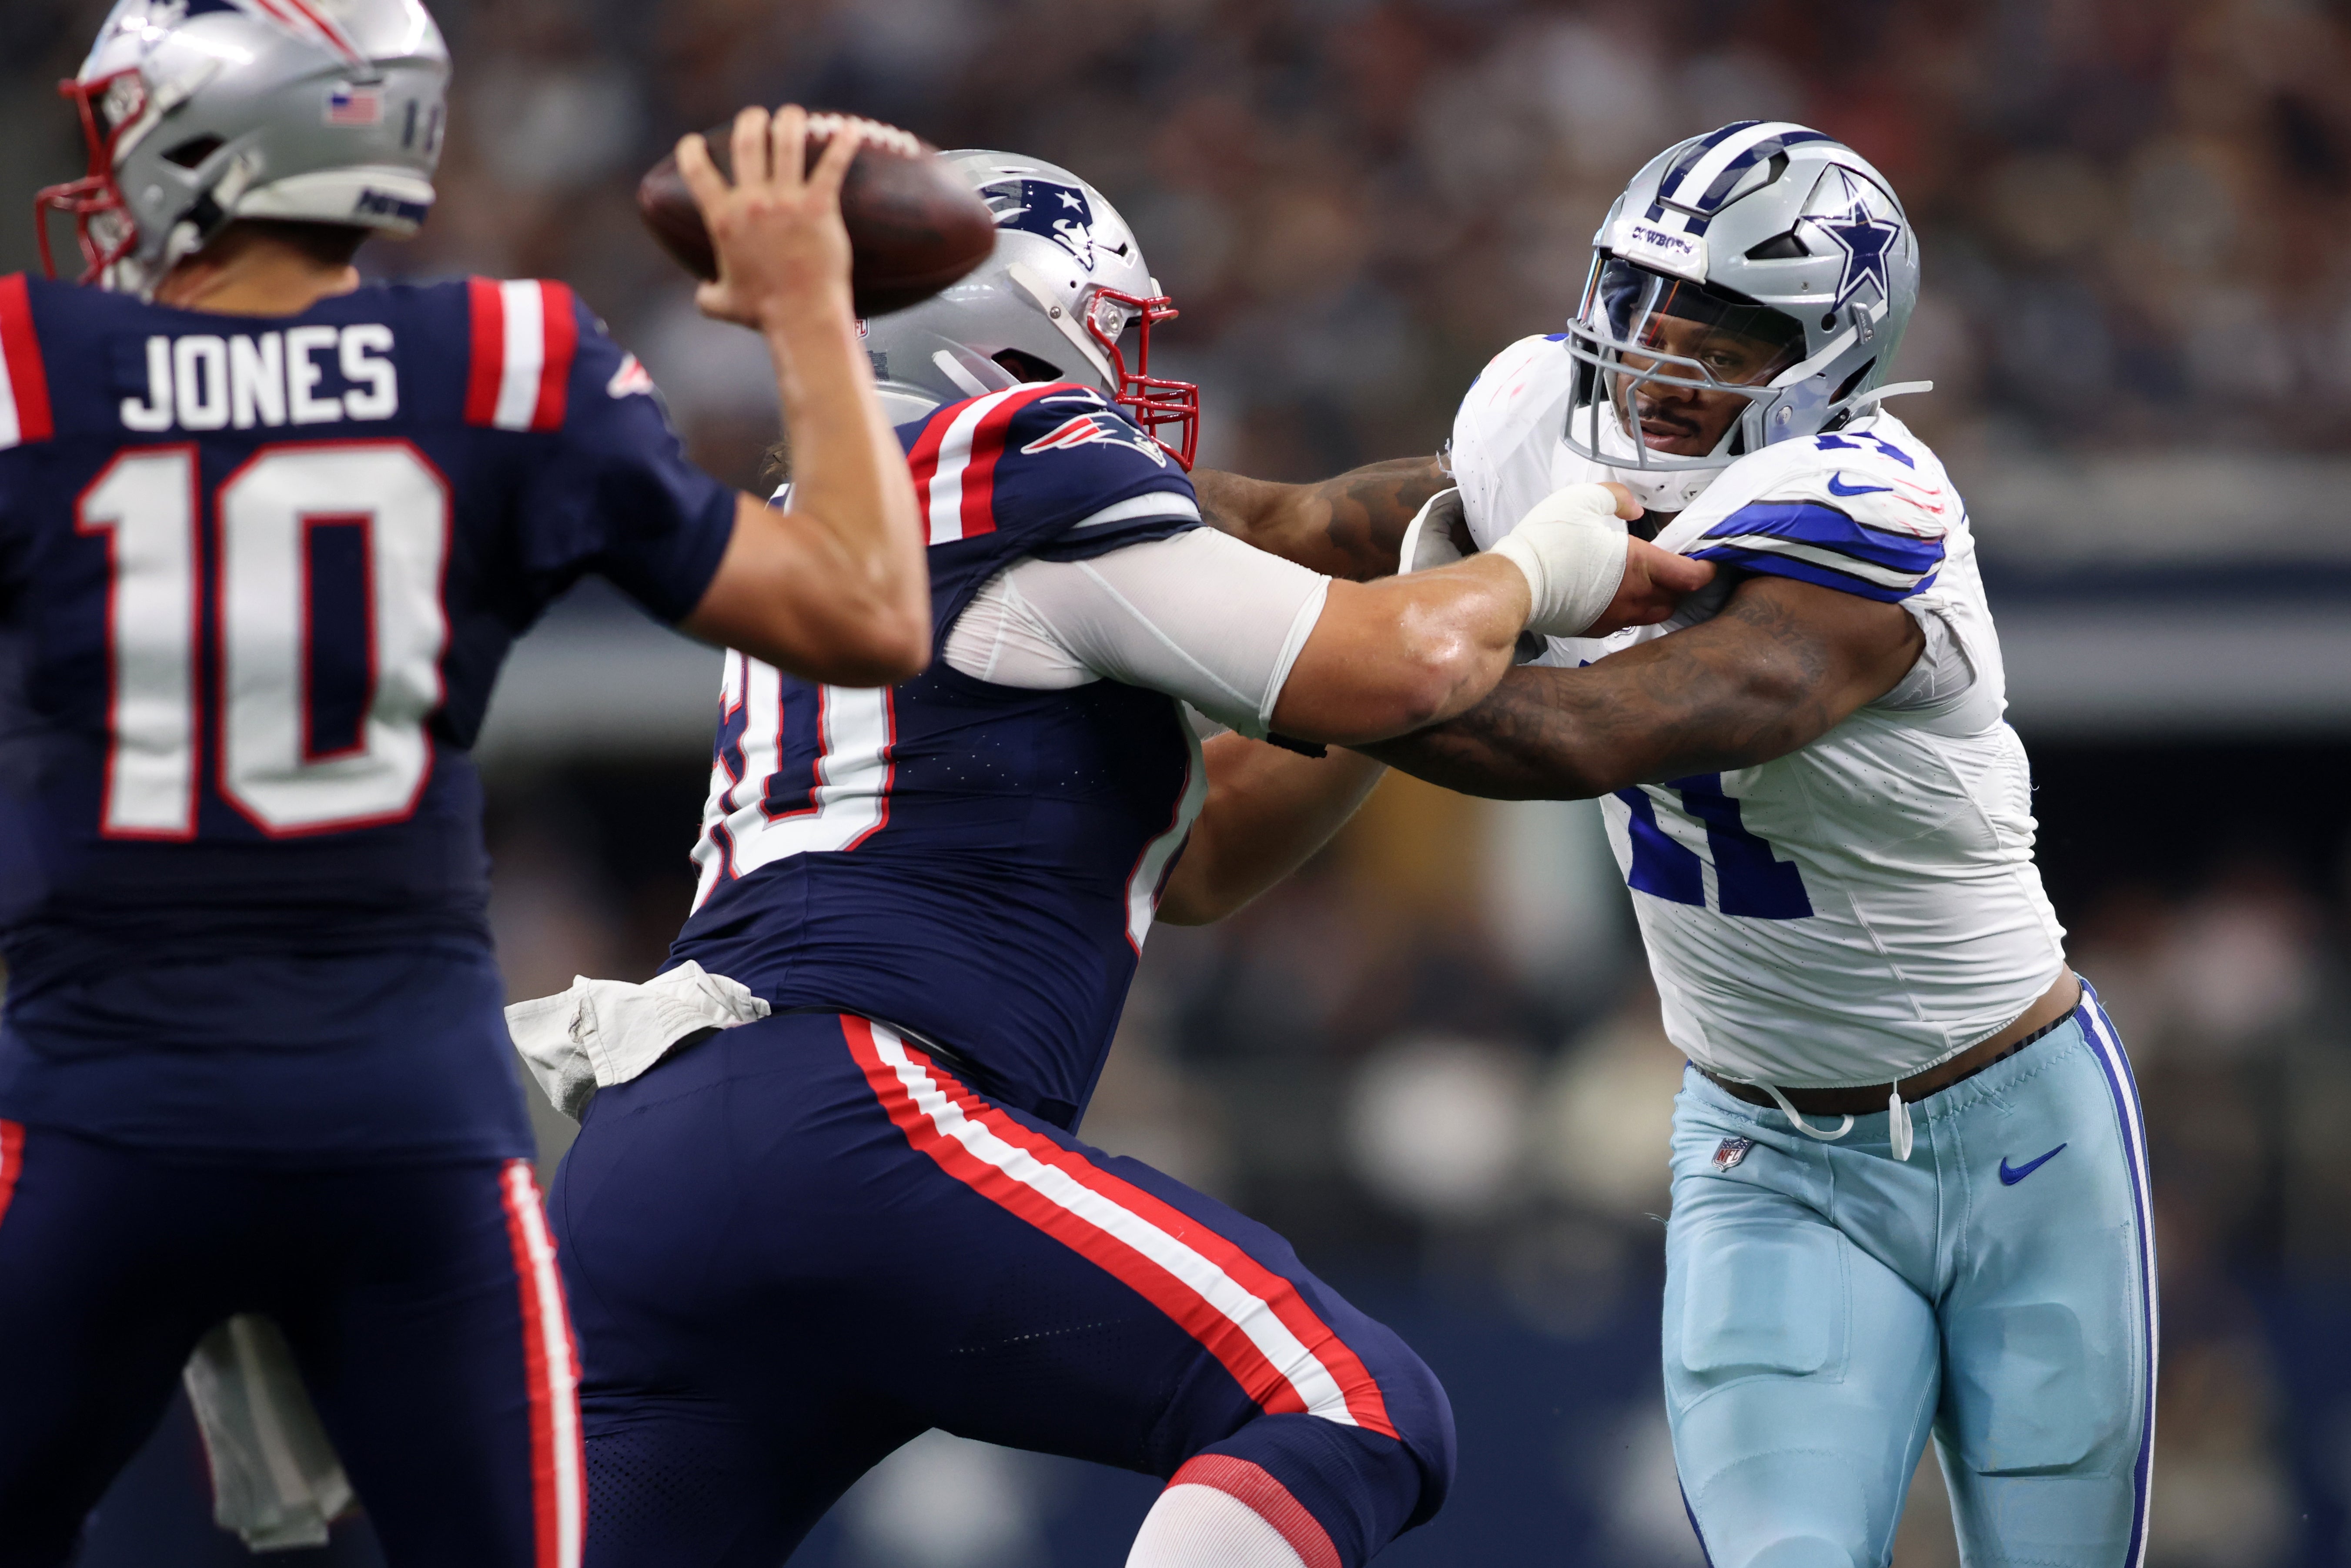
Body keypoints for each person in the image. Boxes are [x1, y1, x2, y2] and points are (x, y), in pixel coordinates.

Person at [523, 148, 1711, 1568]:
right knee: (1345, 1403)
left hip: (661, 1158)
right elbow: (1401, 667)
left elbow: (1197, 863)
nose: (1133, 378)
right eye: (1117, 331)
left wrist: (1427, 602)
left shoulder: (853, 511)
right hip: (849, 1120)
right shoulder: (1004, 454)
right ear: (1007, 325)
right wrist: (1534, 564)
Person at [0, 0, 931, 1558]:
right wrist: (806, 308)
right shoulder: (506, 359)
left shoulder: (30, 365)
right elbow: (870, 612)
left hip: (100, 1111)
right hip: (405, 1126)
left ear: (214, 130)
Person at [1200, 123, 2153, 1568]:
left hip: (2022, 1140)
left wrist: (1302, 660)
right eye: (1644, 303)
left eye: (1724, 331)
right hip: (1764, 1153)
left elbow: (1580, 737)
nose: (1660, 355)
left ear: (1831, 356)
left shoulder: (1868, 517)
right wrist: (1036, 490)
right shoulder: (1537, 430)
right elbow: (1302, 526)